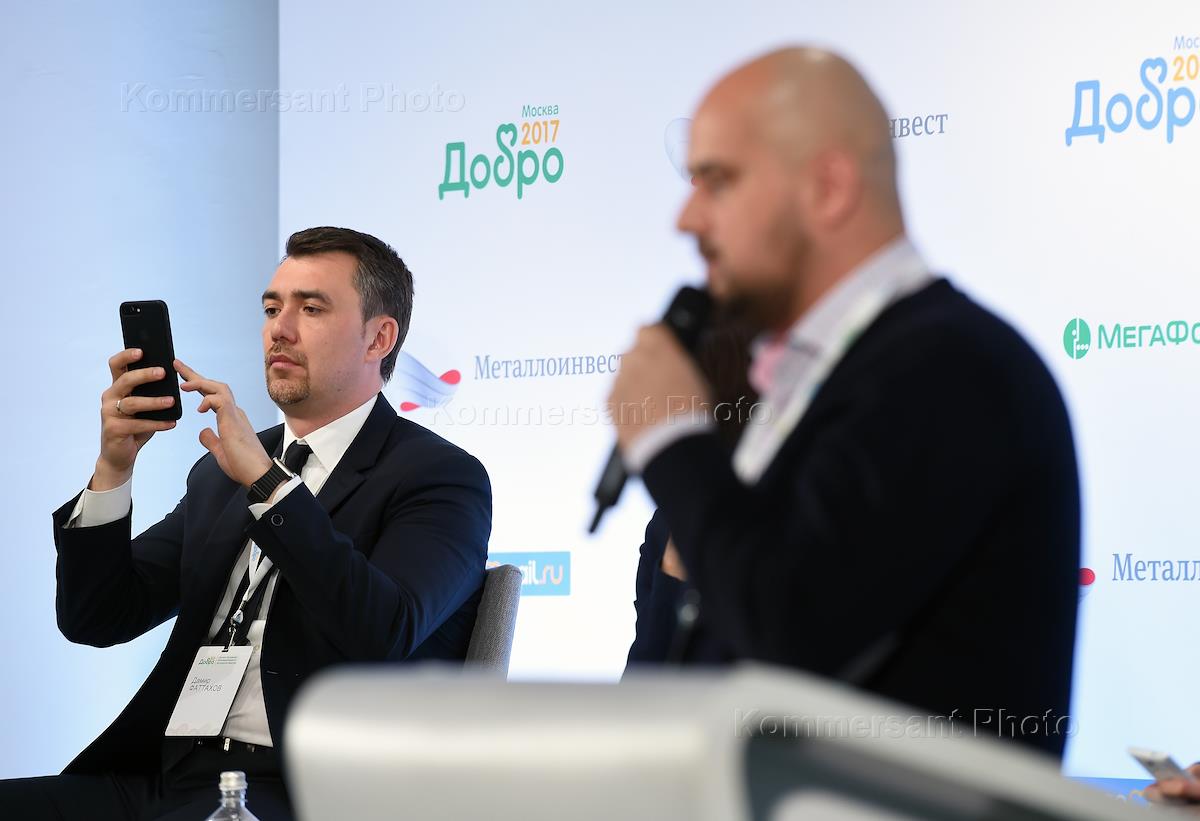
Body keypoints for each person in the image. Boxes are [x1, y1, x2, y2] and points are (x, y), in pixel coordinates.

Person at [608, 47, 1081, 756]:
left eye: (717, 181)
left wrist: (673, 439)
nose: (686, 218)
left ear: (829, 188)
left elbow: (789, 634)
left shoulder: (949, 368)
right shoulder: (832, 379)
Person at [2, 227, 492, 819]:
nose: (280, 329)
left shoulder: (439, 477)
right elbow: (98, 618)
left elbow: (384, 631)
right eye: (271, 308)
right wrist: (113, 469)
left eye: (311, 308)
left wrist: (268, 485)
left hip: (314, 789)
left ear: (378, 338)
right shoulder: (222, 472)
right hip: (167, 776)